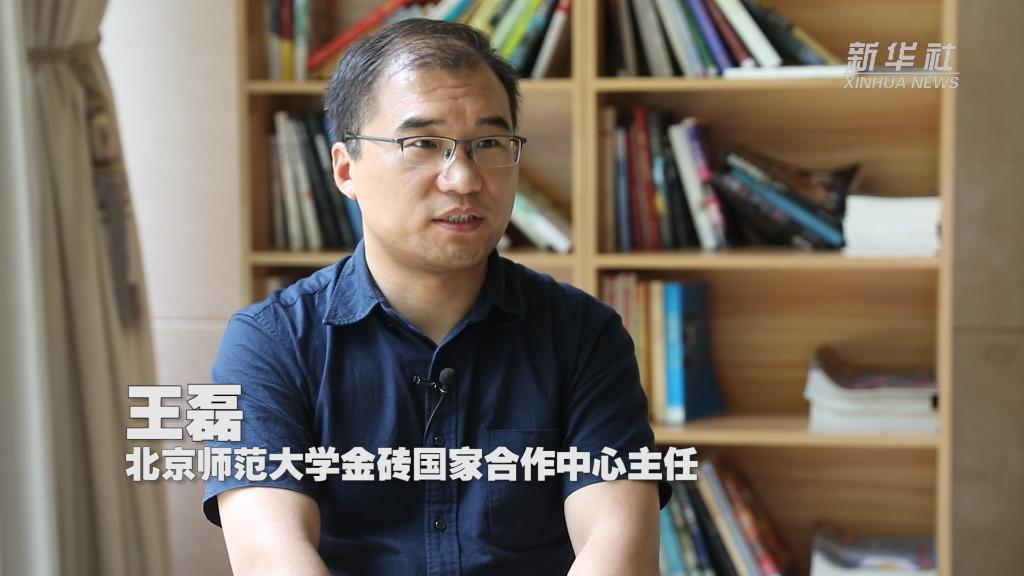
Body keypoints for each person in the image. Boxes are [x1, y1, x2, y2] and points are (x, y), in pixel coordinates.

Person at [203, 18, 670, 576]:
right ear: (346, 169)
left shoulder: (583, 334)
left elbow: (619, 548)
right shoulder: (270, 342)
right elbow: (271, 558)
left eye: (489, 143)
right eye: (423, 143)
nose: (464, 179)